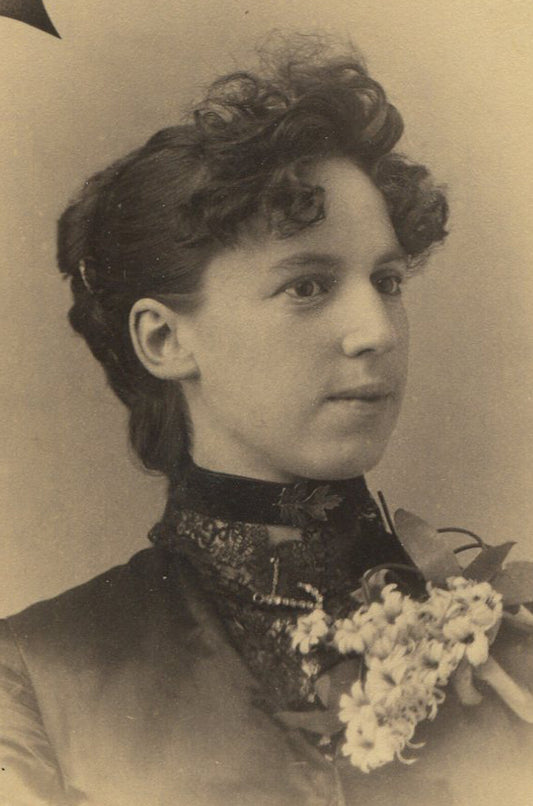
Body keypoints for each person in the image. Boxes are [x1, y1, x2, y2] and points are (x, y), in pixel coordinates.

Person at [0, 35, 531, 806]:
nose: (376, 330)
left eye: (385, 280)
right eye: (308, 286)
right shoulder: (42, 675)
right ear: (165, 338)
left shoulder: (507, 638)